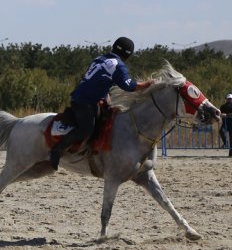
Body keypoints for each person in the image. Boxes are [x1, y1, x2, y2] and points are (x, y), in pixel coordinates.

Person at [49, 36, 154, 171]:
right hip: (85, 102)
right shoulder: (117, 65)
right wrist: (148, 84)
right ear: (128, 54)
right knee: (86, 129)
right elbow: (130, 86)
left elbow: (100, 82)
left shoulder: (100, 58)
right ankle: (57, 150)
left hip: (85, 98)